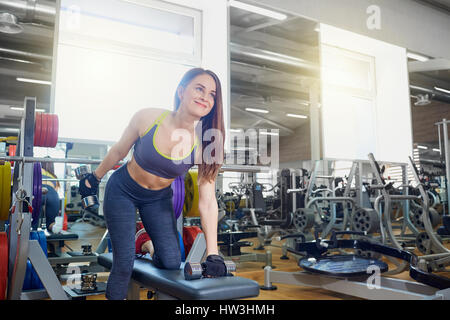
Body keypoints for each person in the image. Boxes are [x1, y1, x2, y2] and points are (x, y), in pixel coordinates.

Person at [79, 68, 226, 300]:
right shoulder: (147, 118)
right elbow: (119, 151)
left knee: (170, 262)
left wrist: (213, 253)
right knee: (124, 263)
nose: (205, 97)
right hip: (123, 191)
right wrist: (94, 177)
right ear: (181, 91)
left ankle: (145, 243)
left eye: (212, 94)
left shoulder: (206, 144)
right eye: (199, 88)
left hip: (158, 199)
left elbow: (208, 201)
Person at [40, 160, 62, 233]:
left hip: (39, 192)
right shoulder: (54, 176)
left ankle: (33, 234)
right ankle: (56, 230)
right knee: (51, 223)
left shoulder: (38, 170)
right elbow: (55, 190)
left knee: (33, 219)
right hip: (53, 195)